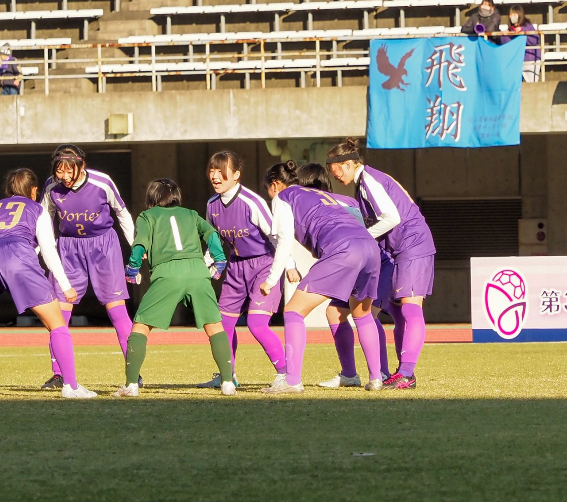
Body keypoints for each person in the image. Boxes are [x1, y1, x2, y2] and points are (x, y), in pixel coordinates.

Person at [0, 168, 94, 400]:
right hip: (17, 255)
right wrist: (65, 285)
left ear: (8, 190)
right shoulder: (37, 209)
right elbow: (48, 250)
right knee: (57, 324)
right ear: (34, 190)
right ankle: (71, 386)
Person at [258, 161, 385, 394]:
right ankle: (375, 378)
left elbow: (284, 240)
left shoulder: (283, 197)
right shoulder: (343, 199)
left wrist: (272, 279)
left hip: (343, 249)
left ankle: (292, 380)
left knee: (294, 311)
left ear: (275, 185)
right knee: (361, 314)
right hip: (370, 249)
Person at [325, 140, 435, 390]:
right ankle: (394, 373)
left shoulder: (369, 180)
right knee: (396, 312)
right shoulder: (364, 182)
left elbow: (392, 217)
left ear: (349, 164)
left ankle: (406, 374)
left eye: (337, 169)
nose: (335, 174)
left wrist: (363, 236)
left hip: (412, 245)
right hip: (397, 250)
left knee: (409, 308)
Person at [117, 179, 236, 397]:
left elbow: (140, 242)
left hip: (167, 273)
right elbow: (211, 234)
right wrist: (219, 260)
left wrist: (132, 268)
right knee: (215, 326)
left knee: (141, 326)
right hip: (197, 271)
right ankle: (228, 382)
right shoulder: (191, 214)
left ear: (152, 197)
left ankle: (131, 385)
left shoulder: (147, 216)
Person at [38, 144, 136, 387]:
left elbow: (122, 213)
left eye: (70, 170)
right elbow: (44, 220)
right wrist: (39, 250)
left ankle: (134, 373)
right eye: (60, 171)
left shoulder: (102, 183)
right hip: (69, 248)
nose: (65, 177)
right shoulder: (51, 186)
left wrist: (136, 245)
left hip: (104, 246)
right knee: (58, 314)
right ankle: (59, 373)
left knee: (116, 309)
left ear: (82, 165)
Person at [202, 151, 288, 390]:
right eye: (212, 171)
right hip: (236, 267)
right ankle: (227, 375)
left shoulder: (252, 201)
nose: (215, 176)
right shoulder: (212, 204)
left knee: (257, 324)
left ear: (236, 174)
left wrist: (288, 266)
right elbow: (214, 239)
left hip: (263, 266)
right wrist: (207, 263)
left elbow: (276, 237)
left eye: (221, 171)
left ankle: (286, 374)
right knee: (222, 325)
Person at [292, 164, 367, 389]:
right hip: (369, 259)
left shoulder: (308, 204)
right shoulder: (348, 201)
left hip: (346, 259)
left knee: (294, 310)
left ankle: (291, 378)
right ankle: (362, 374)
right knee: (340, 312)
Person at [500, 4, 541, 81]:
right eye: (511, 14)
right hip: (516, 60)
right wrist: (505, 35)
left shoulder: (528, 26)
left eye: (514, 14)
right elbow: (507, 44)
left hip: (530, 59)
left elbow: (535, 40)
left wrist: (522, 31)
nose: (512, 16)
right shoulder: (510, 29)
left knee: (532, 83)